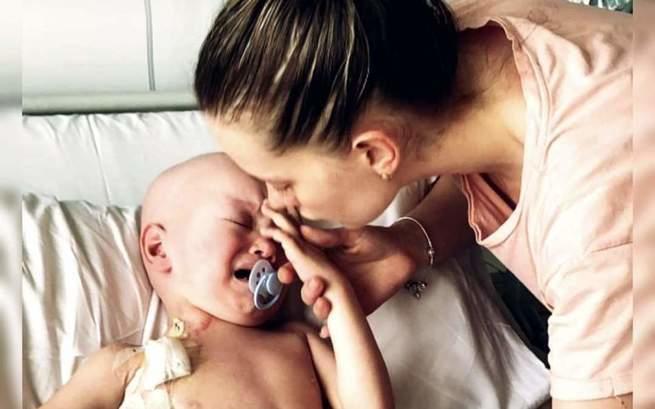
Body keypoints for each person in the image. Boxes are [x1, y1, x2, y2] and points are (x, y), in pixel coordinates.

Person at [193, 0, 635, 408]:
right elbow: (508, 166)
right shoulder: (415, 28)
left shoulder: (598, 235)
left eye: (281, 183)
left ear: (376, 153)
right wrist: (409, 243)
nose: (275, 204)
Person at [40, 153, 393, 409]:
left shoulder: (299, 344)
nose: (269, 245)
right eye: (242, 223)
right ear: (160, 248)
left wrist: (335, 291)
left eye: (283, 233)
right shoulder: (125, 366)